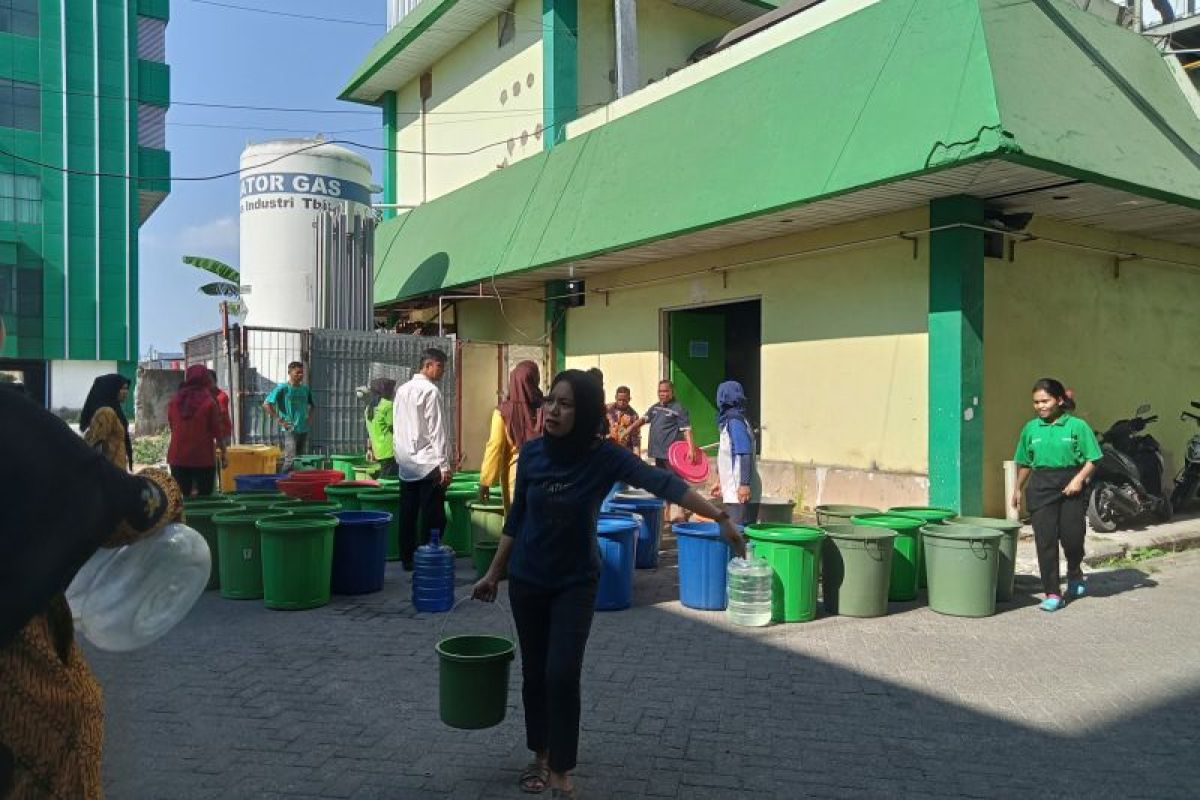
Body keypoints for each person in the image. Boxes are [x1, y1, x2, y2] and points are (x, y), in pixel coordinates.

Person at [472, 370, 744, 798]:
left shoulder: (603, 457)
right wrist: (494, 572)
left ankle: (562, 767)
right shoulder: (534, 454)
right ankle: (540, 755)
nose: (553, 411)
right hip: (528, 579)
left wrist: (721, 516)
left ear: (583, 412)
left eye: (565, 404)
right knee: (535, 674)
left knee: (562, 673)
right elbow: (517, 517)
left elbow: (664, 483)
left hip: (575, 582)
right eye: (550, 402)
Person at [0, 314, 184, 798]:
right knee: (69, 723)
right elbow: (101, 496)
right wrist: (164, 492)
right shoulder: (15, 422)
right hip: (12, 648)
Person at [1011, 378, 1101, 612]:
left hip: (1071, 485)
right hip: (1041, 487)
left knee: (1072, 538)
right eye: (1036, 402)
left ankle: (1074, 571)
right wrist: (1017, 488)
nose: (1040, 406)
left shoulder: (1077, 426)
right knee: (1045, 541)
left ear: (1059, 400)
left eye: (1045, 401)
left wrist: (1078, 480)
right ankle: (1052, 592)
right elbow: (1025, 463)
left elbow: (1093, 459)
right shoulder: (1030, 429)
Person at [393, 348, 452, 569]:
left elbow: (397, 426)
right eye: (440, 366)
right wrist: (444, 465)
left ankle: (407, 559)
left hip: (406, 462)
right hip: (428, 462)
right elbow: (437, 430)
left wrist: (400, 455)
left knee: (408, 513)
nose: (443, 371)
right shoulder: (430, 391)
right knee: (433, 514)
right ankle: (428, 556)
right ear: (428, 366)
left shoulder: (402, 390)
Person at [480, 360, 543, 511]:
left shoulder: (503, 412)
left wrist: (485, 481)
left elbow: (495, 446)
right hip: (544, 473)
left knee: (517, 523)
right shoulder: (547, 407)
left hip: (517, 476)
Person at [636, 380, 699, 522]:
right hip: (658, 453)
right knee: (662, 483)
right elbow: (643, 419)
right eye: (660, 391)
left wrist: (691, 448)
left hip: (671, 455)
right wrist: (627, 430)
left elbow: (687, 430)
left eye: (665, 391)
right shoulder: (656, 408)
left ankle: (681, 511)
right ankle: (666, 512)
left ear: (672, 392)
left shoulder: (679, 408)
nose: (662, 394)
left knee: (676, 482)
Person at [166, 365, 228, 497]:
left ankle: (185, 518)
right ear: (205, 379)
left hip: (177, 457)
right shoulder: (209, 402)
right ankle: (201, 518)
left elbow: (172, 426)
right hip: (202, 458)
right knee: (204, 499)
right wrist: (224, 452)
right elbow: (217, 431)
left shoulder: (174, 401)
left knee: (182, 499)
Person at [710, 381, 760, 526]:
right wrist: (720, 481)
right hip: (735, 488)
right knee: (736, 533)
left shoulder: (735, 421)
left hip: (740, 489)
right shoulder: (731, 420)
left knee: (739, 534)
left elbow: (744, 453)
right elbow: (726, 454)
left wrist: (744, 484)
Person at [263, 361, 315, 472]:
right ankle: (282, 482)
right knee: (290, 460)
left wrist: (309, 419)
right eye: (297, 373)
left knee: (299, 460)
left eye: (302, 373)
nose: (300, 375)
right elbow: (266, 404)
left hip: (303, 429)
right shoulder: (283, 388)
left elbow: (313, 406)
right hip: (290, 428)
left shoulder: (305, 389)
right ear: (289, 372)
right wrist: (279, 420)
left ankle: (296, 484)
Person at [80, 374, 133, 470]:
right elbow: (96, 445)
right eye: (122, 389)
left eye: (126, 389)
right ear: (111, 390)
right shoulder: (105, 412)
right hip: (109, 471)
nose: (126, 392)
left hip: (116, 469)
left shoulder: (115, 409)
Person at [364, 378, 398, 478]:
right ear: (386, 391)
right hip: (390, 450)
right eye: (392, 390)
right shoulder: (388, 406)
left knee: (383, 478)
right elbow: (395, 428)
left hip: (377, 450)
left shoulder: (368, 408)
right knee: (389, 481)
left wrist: (369, 449)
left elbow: (369, 431)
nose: (394, 392)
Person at [605, 386, 640, 452]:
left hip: (624, 451)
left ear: (629, 399)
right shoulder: (607, 410)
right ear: (615, 397)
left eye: (624, 400)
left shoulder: (633, 416)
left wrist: (637, 456)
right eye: (619, 400)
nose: (621, 402)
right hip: (608, 449)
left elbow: (635, 439)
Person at [208, 369, 233, 442]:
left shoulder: (221, 396)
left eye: (209, 381)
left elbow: (220, 416)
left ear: (215, 381)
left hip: (222, 434)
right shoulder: (205, 395)